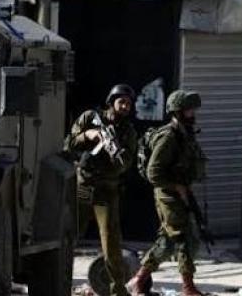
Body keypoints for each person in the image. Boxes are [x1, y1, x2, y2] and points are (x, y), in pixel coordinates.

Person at [127, 90, 208, 296]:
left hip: (180, 192)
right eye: (189, 110)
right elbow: (153, 172)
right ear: (178, 112)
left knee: (167, 241)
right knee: (183, 237)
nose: (193, 114)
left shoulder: (184, 134)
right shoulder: (169, 137)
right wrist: (176, 187)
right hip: (168, 195)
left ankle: (139, 279)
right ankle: (188, 287)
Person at [64, 84, 138, 296]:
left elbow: (125, 163)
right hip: (84, 185)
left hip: (107, 189)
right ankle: (61, 282)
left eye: (128, 104)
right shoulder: (90, 117)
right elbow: (68, 144)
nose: (124, 107)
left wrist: (112, 151)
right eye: (121, 102)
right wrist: (88, 135)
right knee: (70, 234)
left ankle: (117, 289)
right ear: (111, 101)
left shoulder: (128, 132)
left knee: (111, 239)